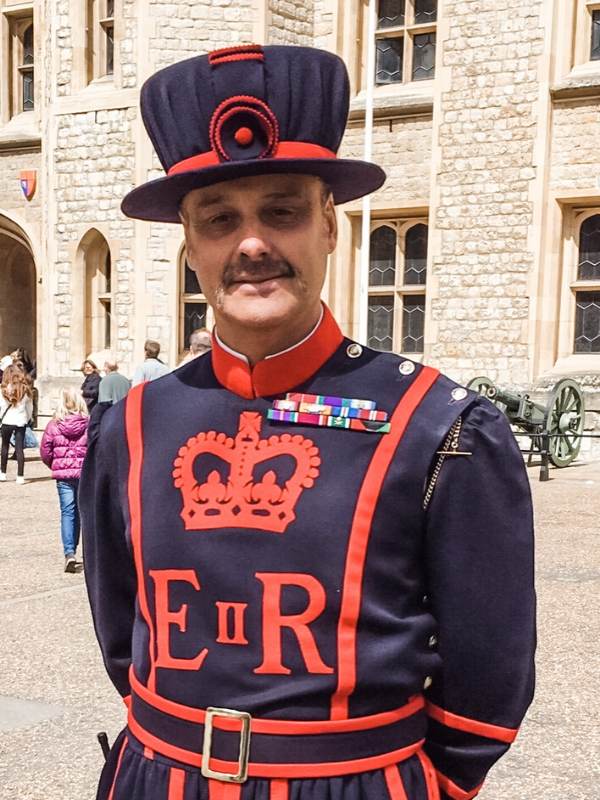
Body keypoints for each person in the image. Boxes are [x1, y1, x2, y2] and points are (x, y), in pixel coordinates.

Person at [80, 45, 535, 800]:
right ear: (190, 247)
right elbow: (121, 634)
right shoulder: (131, 423)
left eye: (282, 211)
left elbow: (490, 673)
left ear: (329, 224)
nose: (251, 243)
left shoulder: (440, 427)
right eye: (219, 219)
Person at [40, 388, 89, 572]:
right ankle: (88, 553)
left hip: (63, 476)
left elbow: (45, 451)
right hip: (84, 474)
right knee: (84, 514)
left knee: (68, 513)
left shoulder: (54, 425)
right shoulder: (88, 423)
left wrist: (55, 465)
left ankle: (70, 553)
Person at [0, 364, 33, 484]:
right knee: (19, 449)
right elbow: (29, 408)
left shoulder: (3, 389)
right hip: (20, 421)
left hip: (7, 421)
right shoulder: (25, 390)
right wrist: (28, 419)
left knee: (4, 447)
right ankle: (20, 476)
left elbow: (1, 407)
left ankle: (2, 473)